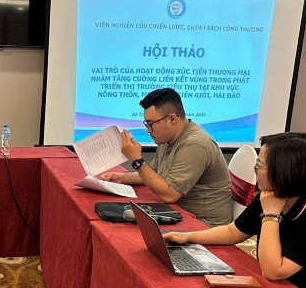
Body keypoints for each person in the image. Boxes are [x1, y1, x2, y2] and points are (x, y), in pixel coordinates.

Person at [164, 132, 306, 288]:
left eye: (259, 165)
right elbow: (234, 231)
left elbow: (273, 271)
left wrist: (271, 215)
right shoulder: (271, 195)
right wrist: (189, 237)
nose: (255, 171)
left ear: (284, 173)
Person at [99, 87, 232, 226]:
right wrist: (121, 178)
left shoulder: (195, 145)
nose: (148, 130)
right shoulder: (167, 137)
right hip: (178, 213)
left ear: (172, 119)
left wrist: (136, 160)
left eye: (150, 124)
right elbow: (154, 174)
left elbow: (169, 195)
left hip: (204, 224)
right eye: (146, 124)